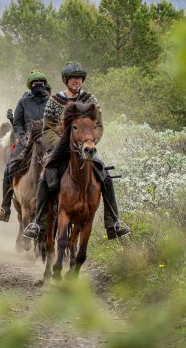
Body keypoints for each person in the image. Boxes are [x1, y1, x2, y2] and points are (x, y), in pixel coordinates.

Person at [22, 61, 131, 240]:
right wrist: (61, 144)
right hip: (60, 149)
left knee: (105, 176)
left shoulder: (90, 100)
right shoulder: (55, 101)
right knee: (44, 177)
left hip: (86, 147)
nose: (77, 82)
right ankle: (38, 223)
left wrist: (90, 141)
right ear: (66, 80)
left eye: (79, 78)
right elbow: (47, 128)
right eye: (73, 78)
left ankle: (114, 222)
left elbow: (99, 125)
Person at [0, 71, 51, 221]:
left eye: (41, 83)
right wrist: (22, 137)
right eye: (35, 83)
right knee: (9, 168)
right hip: (26, 142)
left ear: (45, 84)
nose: (38, 85)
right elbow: (17, 123)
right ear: (30, 85)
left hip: (47, 142)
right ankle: (5, 207)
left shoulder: (51, 102)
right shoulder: (23, 102)